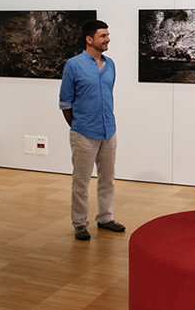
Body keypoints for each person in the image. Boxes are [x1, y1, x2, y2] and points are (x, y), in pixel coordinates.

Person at [59, 20, 125, 240]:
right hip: (84, 132)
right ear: (89, 39)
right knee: (81, 180)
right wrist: (79, 126)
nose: (108, 39)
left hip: (109, 130)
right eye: (103, 36)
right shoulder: (73, 65)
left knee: (108, 178)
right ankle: (79, 223)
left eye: (108, 35)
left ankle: (105, 218)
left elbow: (108, 94)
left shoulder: (111, 64)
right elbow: (65, 103)